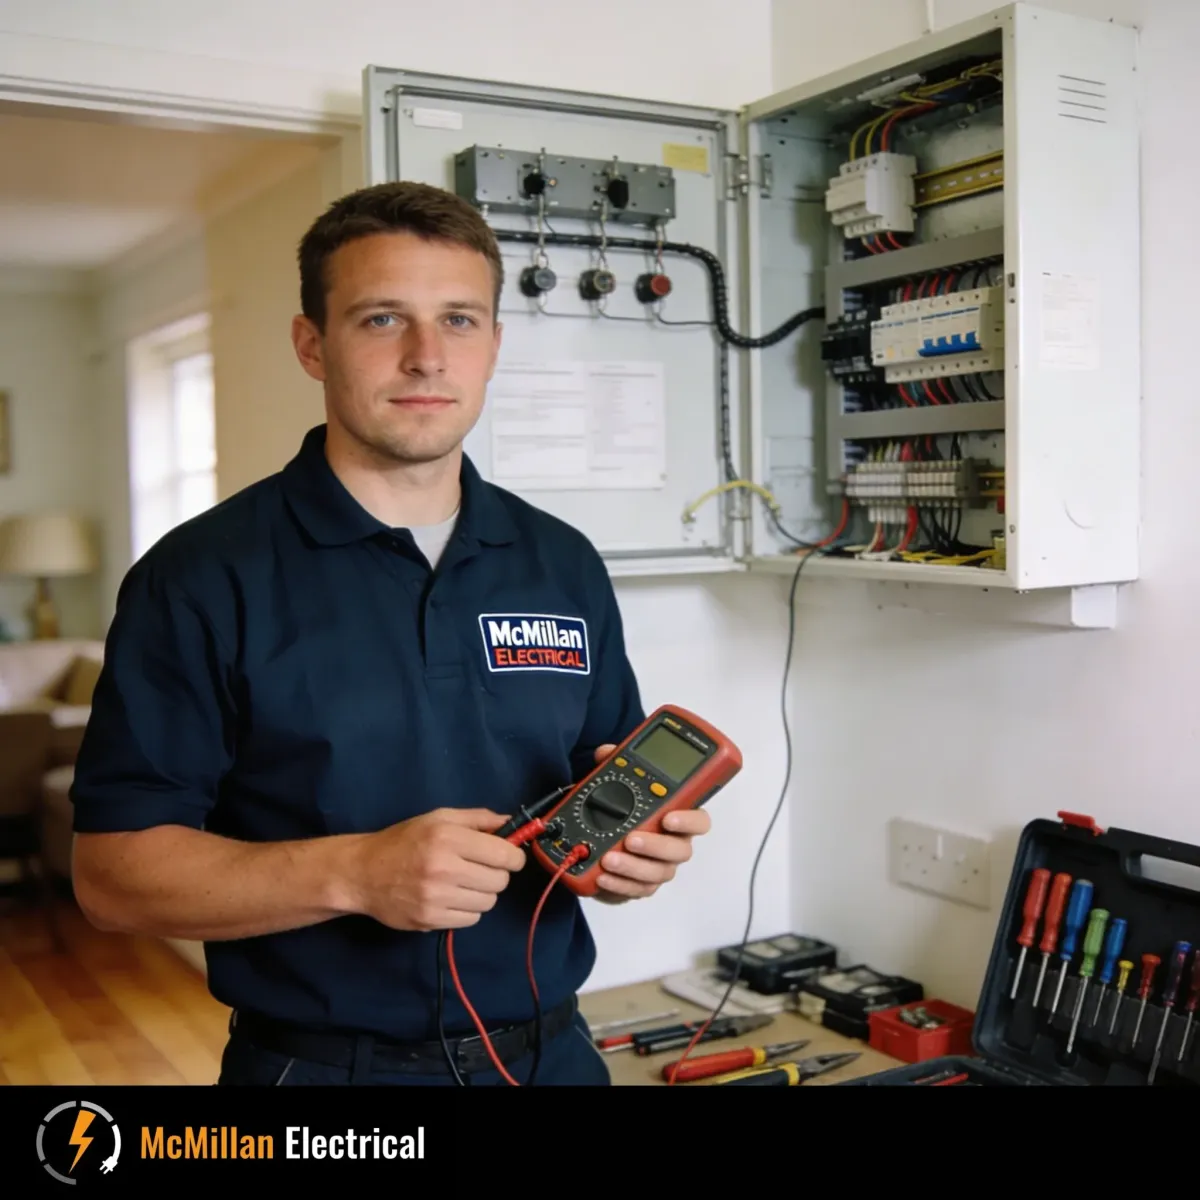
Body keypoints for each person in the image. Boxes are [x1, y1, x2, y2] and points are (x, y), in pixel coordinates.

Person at [69, 180, 713, 1087]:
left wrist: (624, 855)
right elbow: (112, 877)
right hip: (326, 1076)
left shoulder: (560, 561)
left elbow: (596, 791)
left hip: (557, 1058)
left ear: (494, 344)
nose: (425, 356)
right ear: (311, 344)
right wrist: (357, 873)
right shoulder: (199, 577)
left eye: (458, 319)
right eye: (381, 319)